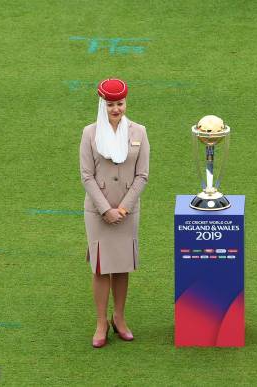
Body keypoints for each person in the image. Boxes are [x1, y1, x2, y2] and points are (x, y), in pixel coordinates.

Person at [79, 78, 150, 348]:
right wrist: (106, 209)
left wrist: (123, 207)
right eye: (110, 105)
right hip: (98, 212)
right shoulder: (90, 133)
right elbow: (86, 176)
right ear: (102, 104)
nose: (116, 109)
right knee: (100, 267)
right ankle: (101, 323)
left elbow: (142, 175)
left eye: (120, 104)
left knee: (122, 267)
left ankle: (119, 318)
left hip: (127, 212)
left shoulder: (139, 132)